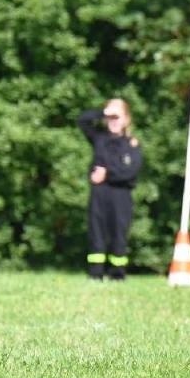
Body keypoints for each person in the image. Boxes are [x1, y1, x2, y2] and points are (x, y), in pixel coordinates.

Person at [77, 98, 142, 280]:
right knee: (96, 232)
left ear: (126, 120)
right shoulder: (99, 138)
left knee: (118, 234)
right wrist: (102, 113)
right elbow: (82, 120)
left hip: (120, 194)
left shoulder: (131, 144)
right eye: (110, 117)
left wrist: (107, 173)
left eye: (117, 116)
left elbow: (130, 172)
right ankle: (96, 273)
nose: (113, 121)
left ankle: (117, 273)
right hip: (99, 193)